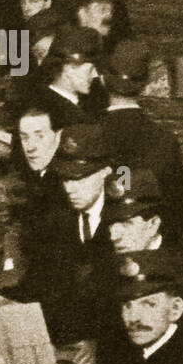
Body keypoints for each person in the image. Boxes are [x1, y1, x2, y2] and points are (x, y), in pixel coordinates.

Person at [16, 123, 116, 350]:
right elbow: (38, 283)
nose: (70, 188)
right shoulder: (57, 224)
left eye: (80, 178)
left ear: (105, 173)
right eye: (66, 178)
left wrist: (97, 345)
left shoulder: (123, 228)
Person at [98, 40, 183, 244]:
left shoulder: (88, 134)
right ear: (144, 86)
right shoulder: (166, 139)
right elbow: (177, 216)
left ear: (102, 80)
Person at [35, 24, 106, 128]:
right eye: (90, 70)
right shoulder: (67, 116)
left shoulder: (42, 101)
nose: (95, 75)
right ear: (68, 69)